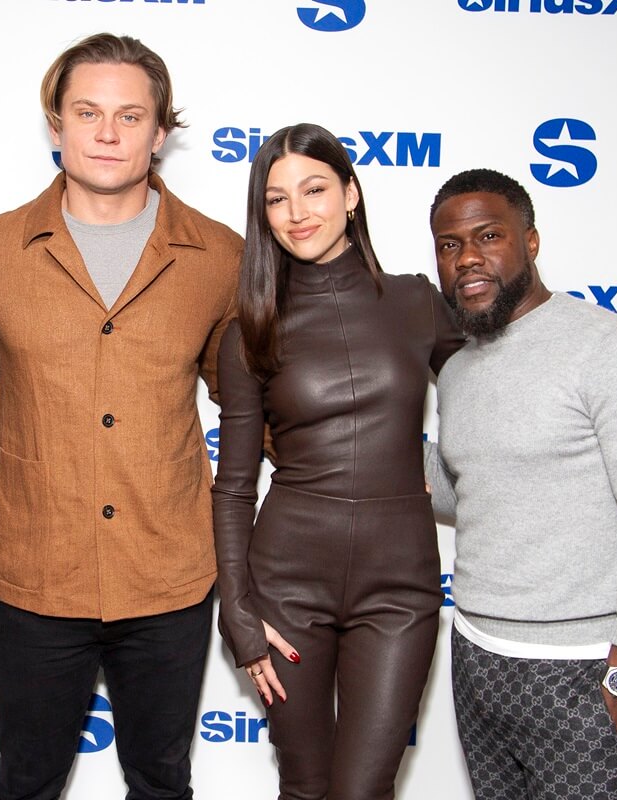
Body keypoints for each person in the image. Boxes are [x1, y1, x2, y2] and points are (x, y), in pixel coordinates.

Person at [0, 35, 243, 800]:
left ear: (160, 131)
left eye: (129, 115)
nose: (108, 133)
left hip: (169, 572)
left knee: (161, 781)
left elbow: (249, 403)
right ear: (56, 124)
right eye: (88, 112)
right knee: (26, 781)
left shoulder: (220, 255)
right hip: (33, 571)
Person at [424, 168, 617, 799]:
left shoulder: (616, 350)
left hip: (582, 667)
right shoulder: (462, 371)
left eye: (488, 235)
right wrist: (326, 441)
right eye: (449, 244)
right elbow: (459, 489)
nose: (468, 256)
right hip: (477, 655)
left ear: (531, 242)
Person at [211, 123, 466, 800]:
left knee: (363, 790)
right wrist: (238, 613)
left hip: (400, 588)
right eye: (276, 199)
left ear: (351, 193)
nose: (297, 213)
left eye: (315, 189)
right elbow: (234, 488)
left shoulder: (416, 301)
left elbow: (496, 402)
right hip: (287, 586)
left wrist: (443, 479)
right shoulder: (249, 330)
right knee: (305, 785)